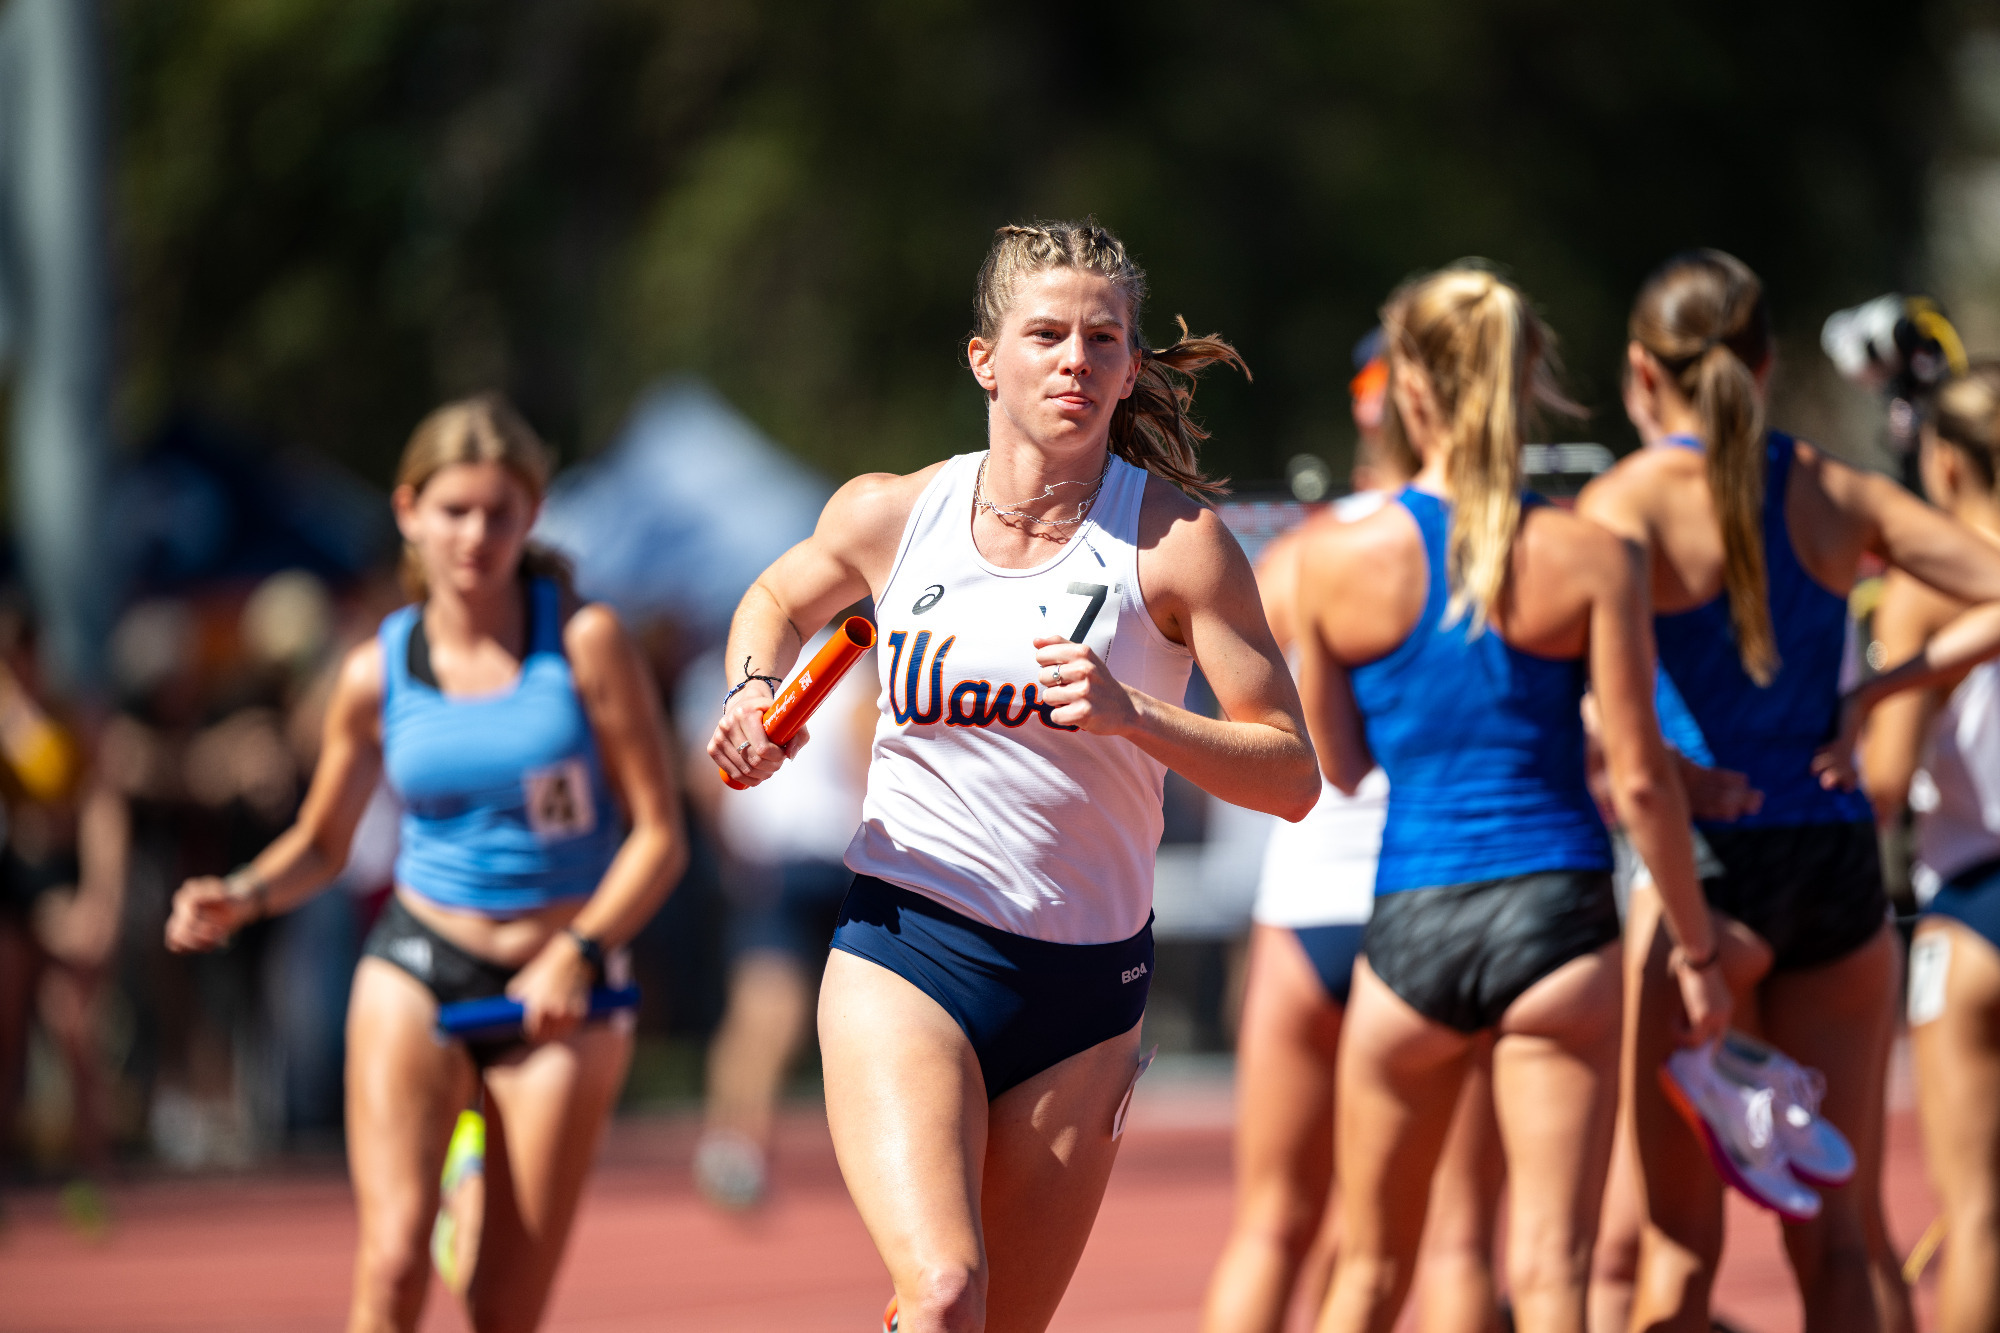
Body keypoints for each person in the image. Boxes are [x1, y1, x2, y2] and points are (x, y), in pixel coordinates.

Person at [709, 218, 1319, 1333]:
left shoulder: (1176, 545)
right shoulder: (894, 513)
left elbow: (1290, 773)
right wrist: (752, 693)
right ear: (985, 359)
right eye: (1046, 335)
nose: (1075, 360)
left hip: (1085, 991)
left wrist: (1137, 714)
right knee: (945, 1290)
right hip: (909, 944)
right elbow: (773, 600)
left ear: (1130, 367)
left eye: (1103, 339)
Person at [166, 394, 686, 1333]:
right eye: (454, 510)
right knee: (394, 1260)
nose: (475, 535)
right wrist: (240, 894)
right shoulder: (377, 669)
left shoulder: (586, 644)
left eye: (499, 512)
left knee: (500, 1310)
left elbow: (660, 835)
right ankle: (450, 1189)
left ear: (532, 515)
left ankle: (474, 1186)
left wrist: (578, 950)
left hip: (560, 985)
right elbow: (323, 840)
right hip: (421, 958)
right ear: (409, 511)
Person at [1294, 263, 1729, 1333]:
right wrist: (1696, 947)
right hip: (1558, 915)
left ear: (1408, 389)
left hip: (1412, 914)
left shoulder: (1325, 563)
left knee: (1368, 1273)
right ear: (1528, 380)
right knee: (1551, 1275)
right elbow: (1639, 777)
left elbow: (1337, 768)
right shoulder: (1592, 556)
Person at [1577, 251, 2000, 1333]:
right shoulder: (1832, 487)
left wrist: (1672, 791)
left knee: (1677, 1252)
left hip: (1705, 878)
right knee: (1843, 1240)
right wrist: (1885, 688)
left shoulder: (1620, 508)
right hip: (1835, 868)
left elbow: (1588, 711)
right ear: (1765, 365)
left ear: (1642, 372)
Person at [1201, 338, 1506, 1333]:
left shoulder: (1304, 555)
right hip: (1440, 901)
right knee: (1456, 1239)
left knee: (1269, 1226)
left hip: (1306, 905)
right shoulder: (1508, 548)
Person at [1858, 364, 2000, 1333]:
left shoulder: (1925, 587)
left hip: (1971, 910)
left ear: (1944, 461)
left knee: (1975, 1217)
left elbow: (1881, 782)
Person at [678, 628, 875, 1209]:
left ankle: (733, 1141)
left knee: (761, 1008)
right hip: (832, 858)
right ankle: (744, 1144)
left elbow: (702, 777)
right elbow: (866, 758)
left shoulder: (722, 674)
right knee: (830, 1010)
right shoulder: (853, 663)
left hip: (772, 861)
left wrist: (729, 852)